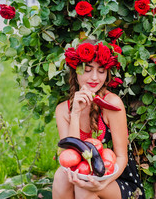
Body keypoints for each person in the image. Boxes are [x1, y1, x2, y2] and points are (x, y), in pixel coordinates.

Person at [52, 40, 145, 199]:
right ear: (76, 71)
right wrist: (75, 114)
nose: (94, 77)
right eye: (87, 70)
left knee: (86, 187)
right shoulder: (62, 110)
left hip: (117, 179)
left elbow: (122, 157)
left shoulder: (112, 104)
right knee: (61, 176)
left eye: (101, 71)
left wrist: (102, 183)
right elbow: (72, 158)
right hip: (83, 173)